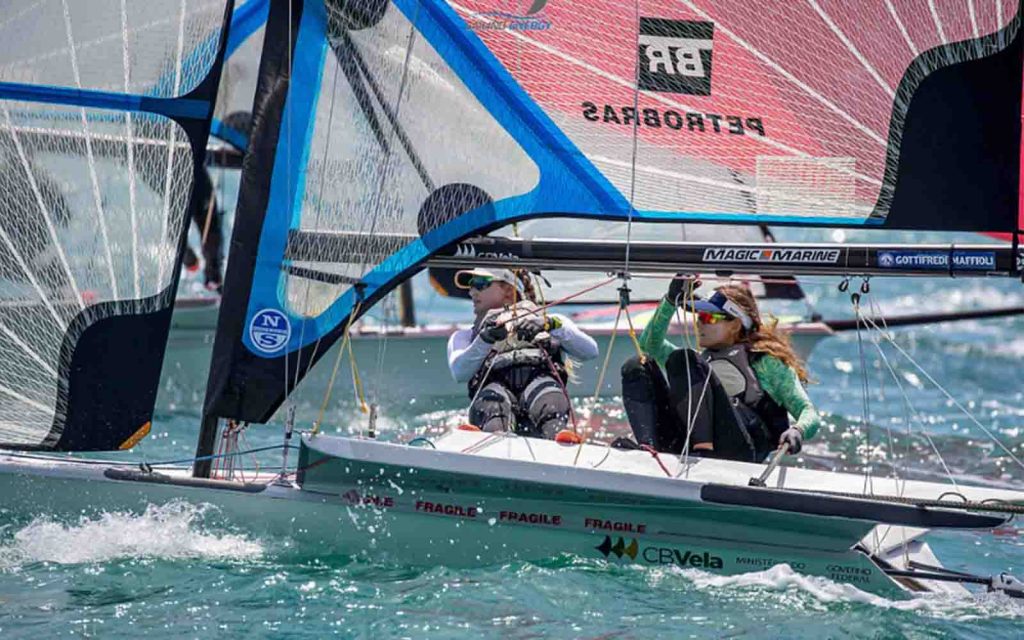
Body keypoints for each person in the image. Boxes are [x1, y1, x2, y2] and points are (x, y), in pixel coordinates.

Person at [619, 276, 820, 462]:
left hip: (738, 450)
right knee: (637, 365)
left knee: (685, 359)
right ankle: (649, 450)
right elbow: (649, 345)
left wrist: (798, 430)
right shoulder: (700, 362)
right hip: (685, 445)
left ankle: (702, 451)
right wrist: (670, 301)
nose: (700, 324)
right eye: (699, 317)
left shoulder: (767, 362)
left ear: (735, 324)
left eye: (710, 318)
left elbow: (807, 411)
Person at [447, 268, 599, 438]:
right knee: (492, 403)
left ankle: (558, 437)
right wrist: (485, 339)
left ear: (508, 290)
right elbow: (459, 373)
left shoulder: (553, 321)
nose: (472, 291)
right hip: (495, 391)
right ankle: (491, 438)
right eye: (471, 286)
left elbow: (590, 351)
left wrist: (549, 324)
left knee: (548, 395)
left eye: (481, 284)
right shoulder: (464, 337)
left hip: (540, 385)